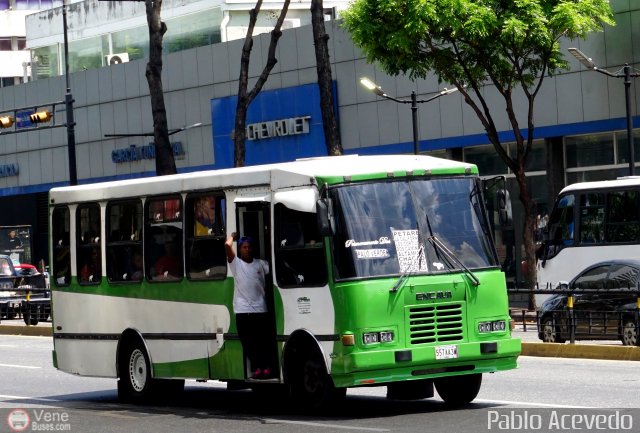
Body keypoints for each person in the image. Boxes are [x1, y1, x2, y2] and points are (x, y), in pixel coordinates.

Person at [225, 232, 273, 379]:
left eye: (249, 247)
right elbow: (227, 245)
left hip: (260, 310)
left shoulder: (261, 264)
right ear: (239, 250)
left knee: (262, 342)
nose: (247, 249)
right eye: (244, 247)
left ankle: (265, 368)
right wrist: (233, 236)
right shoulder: (236, 264)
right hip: (242, 310)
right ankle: (257, 368)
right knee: (248, 343)